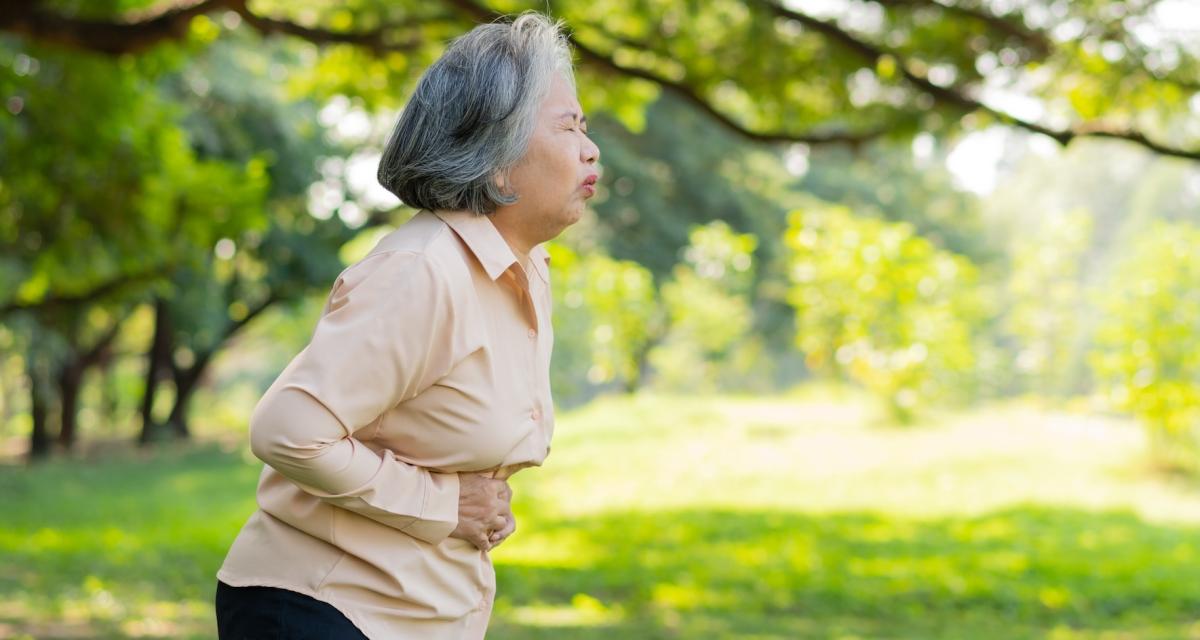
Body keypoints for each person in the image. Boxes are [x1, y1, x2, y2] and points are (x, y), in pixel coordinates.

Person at [213, 12, 599, 639]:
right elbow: (289, 431)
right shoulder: (422, 271)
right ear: (495, 163)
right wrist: (443, 506)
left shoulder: (521, 270)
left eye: (585, 125)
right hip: (323, 607)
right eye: (566, 126)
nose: (589, 146)